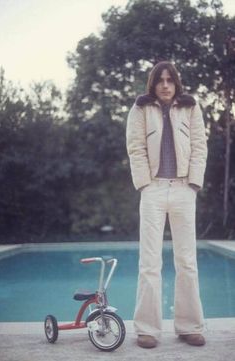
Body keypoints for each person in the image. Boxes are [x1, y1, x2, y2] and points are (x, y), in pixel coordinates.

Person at [126, 61, 208, 349]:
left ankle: (189, 326)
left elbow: (199, 145)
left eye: (169, 80)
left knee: (187, 261)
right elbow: (135, 147)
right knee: (150, 261)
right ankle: (147, 329)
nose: (165, 85)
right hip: (154, 190)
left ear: (176, 84)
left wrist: (194, 183)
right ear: (153, 83)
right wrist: (145, 184)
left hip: (185, 188)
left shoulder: (190, 107)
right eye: (160, 80)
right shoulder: (140, 109)